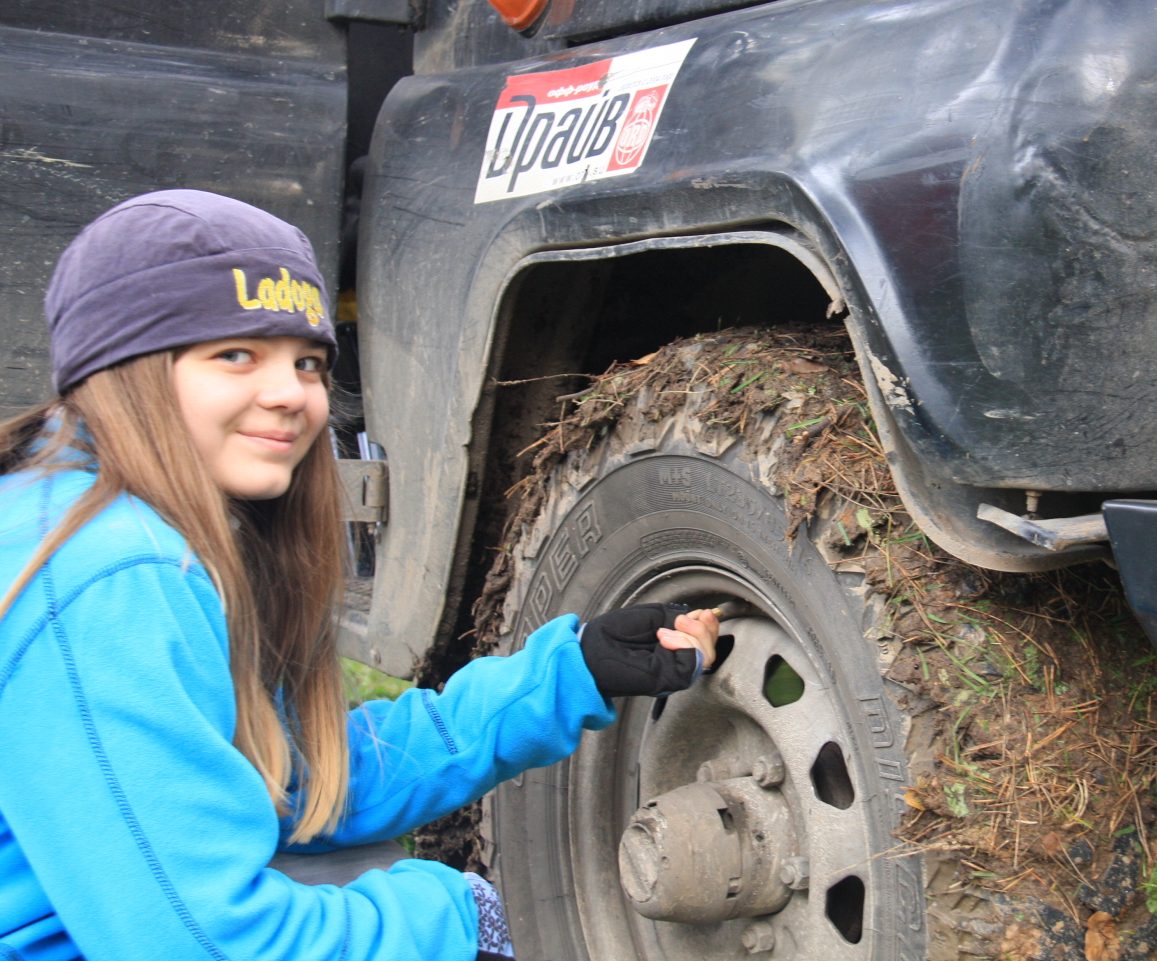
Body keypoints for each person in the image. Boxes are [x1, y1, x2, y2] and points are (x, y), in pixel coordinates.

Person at [0, 190, 719, 961]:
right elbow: (205, 944)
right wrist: (451, 920)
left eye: (307, 362)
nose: (290, 393)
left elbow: (291, 782)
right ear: (125, 368)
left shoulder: (76, 514)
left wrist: (567, 675)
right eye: (235, 355)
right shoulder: (111, 578)